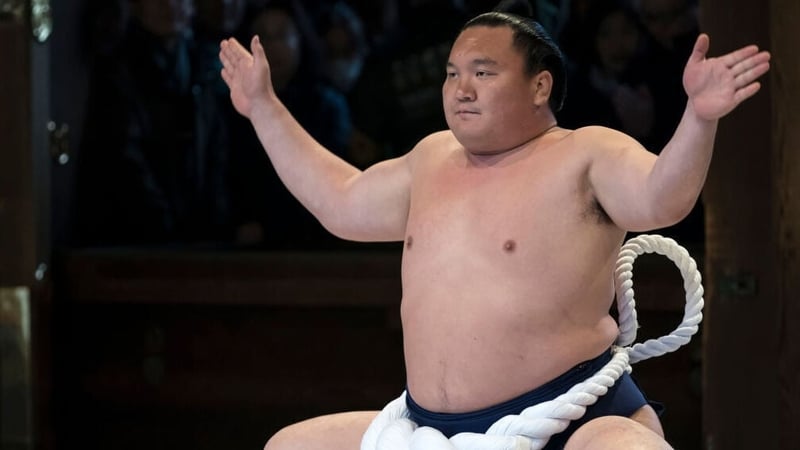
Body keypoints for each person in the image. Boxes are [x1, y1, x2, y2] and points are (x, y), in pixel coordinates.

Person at [219, 1, 770, 448]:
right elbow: (340, 202)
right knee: (290, 445)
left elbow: (660, 199)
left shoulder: (586, 153)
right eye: (454, 74)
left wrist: (698, 117)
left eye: (484, 73)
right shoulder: (431, 158)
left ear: (539, 87)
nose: (462, 89)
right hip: (427, 430)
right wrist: (264, 107)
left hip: (570, 418)